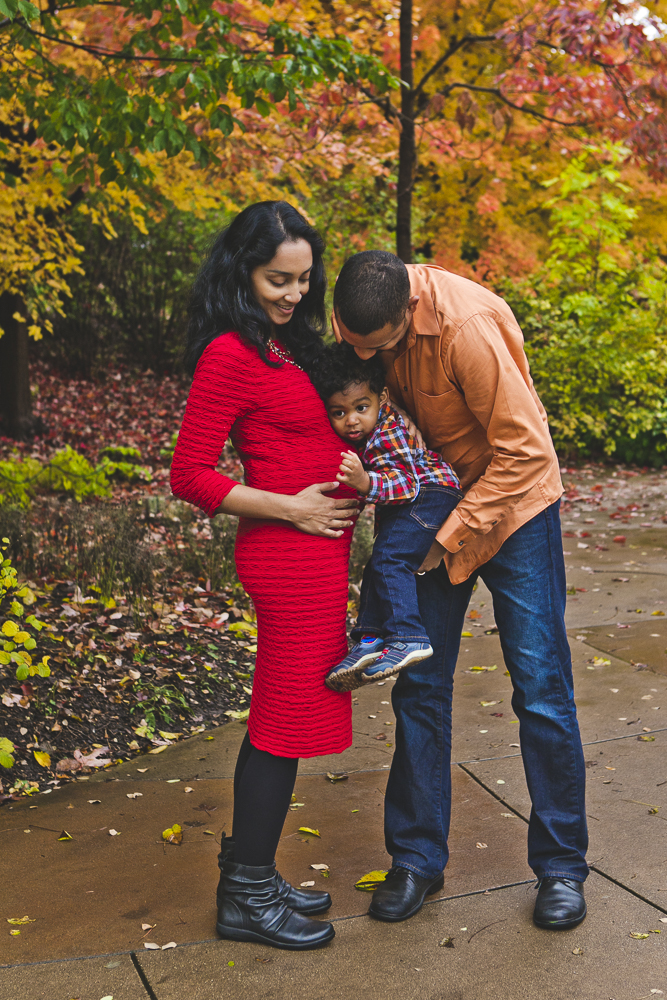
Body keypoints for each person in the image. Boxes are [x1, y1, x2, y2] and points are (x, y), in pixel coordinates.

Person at [332, 250, 588, 931]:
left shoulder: (468, 327)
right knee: (419, 680)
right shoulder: (360, 317)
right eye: (354, 345)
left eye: (377, 348)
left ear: (406, 315)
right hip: (429, 501)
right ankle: (416, 859)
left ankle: (561, 868)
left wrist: (452, 535)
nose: (365, 356)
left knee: (539, 687)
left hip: (513, 508)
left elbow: (526, 453)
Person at [170, 202, 360, 951]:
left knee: (283, 724)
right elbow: (189, 476)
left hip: (315, 556)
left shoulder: (280, 347)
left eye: (303, 280)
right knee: (280, 728)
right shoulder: (229, 353)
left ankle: (252, 872)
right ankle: (244, 894)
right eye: (276, 278)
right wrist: (291, 508)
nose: (292, 293)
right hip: (285, 556)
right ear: (242, 270)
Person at [309, 344, 462, 689]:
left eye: (361, 407)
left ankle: (409, 636)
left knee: (391, 560)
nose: (351, 420)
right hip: (421, 498)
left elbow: (407, 485)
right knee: (377, 563)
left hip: (432, 494)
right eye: (338, 412)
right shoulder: (370, 430)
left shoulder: (388, 429)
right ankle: (369, 639)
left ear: (382, 398)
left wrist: (365, 482)